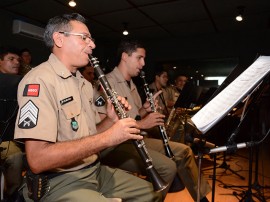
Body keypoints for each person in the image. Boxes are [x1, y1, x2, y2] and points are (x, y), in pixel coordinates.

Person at [14, 13, 162, 202]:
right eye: (84, 38)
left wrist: (110, 121)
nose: (92, 45)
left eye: (91, 39)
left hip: (94, 170)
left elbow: (90, 136)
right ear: (59, 39)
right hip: (60, 181)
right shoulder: (39, 81)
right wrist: (107, 139)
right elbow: (37, 160)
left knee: (152, 194)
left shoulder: (83, 83)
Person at [94, 39, 211, 201]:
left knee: (184, 150)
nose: (143, 64)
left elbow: (134, 116)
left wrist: (144, 110)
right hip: (115, 146)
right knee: (168, 167)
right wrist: (143, 123)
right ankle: (151, 197)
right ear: (125, 57)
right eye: (139, 58)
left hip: (134, 138)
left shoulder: (132, 85)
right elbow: (103, 128)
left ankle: (201, 197)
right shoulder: (106, 83)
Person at [0, 46, 24, 201]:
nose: (16, 63)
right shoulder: (19, 81)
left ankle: (12, 195)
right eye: (11, 59)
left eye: (18, 60)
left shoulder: (20, 82)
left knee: (16, 159)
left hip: (10, 142)